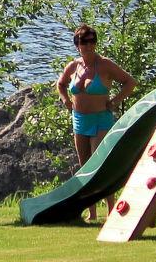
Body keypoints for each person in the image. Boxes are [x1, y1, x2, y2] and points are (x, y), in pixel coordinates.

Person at [56, 27, 136, 220]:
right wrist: (65, 99)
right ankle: (91, 212)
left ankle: (111, 209)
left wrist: (115, 101)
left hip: (101, 119)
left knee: (99, 164)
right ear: (77, 45)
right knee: (85, 167)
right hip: (80, 120)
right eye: (84, 41)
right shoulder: (74, 66)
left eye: (92, 41)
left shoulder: (105, 65)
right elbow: (61, 84)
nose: (89, 45)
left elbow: (129, 82)